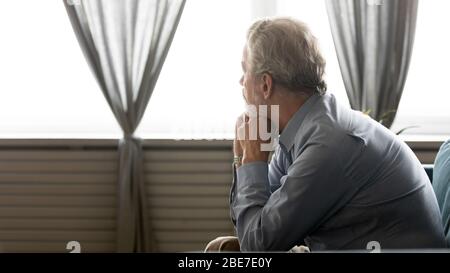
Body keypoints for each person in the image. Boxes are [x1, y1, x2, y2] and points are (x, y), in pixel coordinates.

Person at [207, 17, 446, 252]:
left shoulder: (328, 145)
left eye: (244, 70)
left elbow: (258, 245)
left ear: (266, 85)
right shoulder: (302, 129)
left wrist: (250, 162)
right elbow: (255, 222)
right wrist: (247, 161)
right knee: (219, 249)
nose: (241, 81)